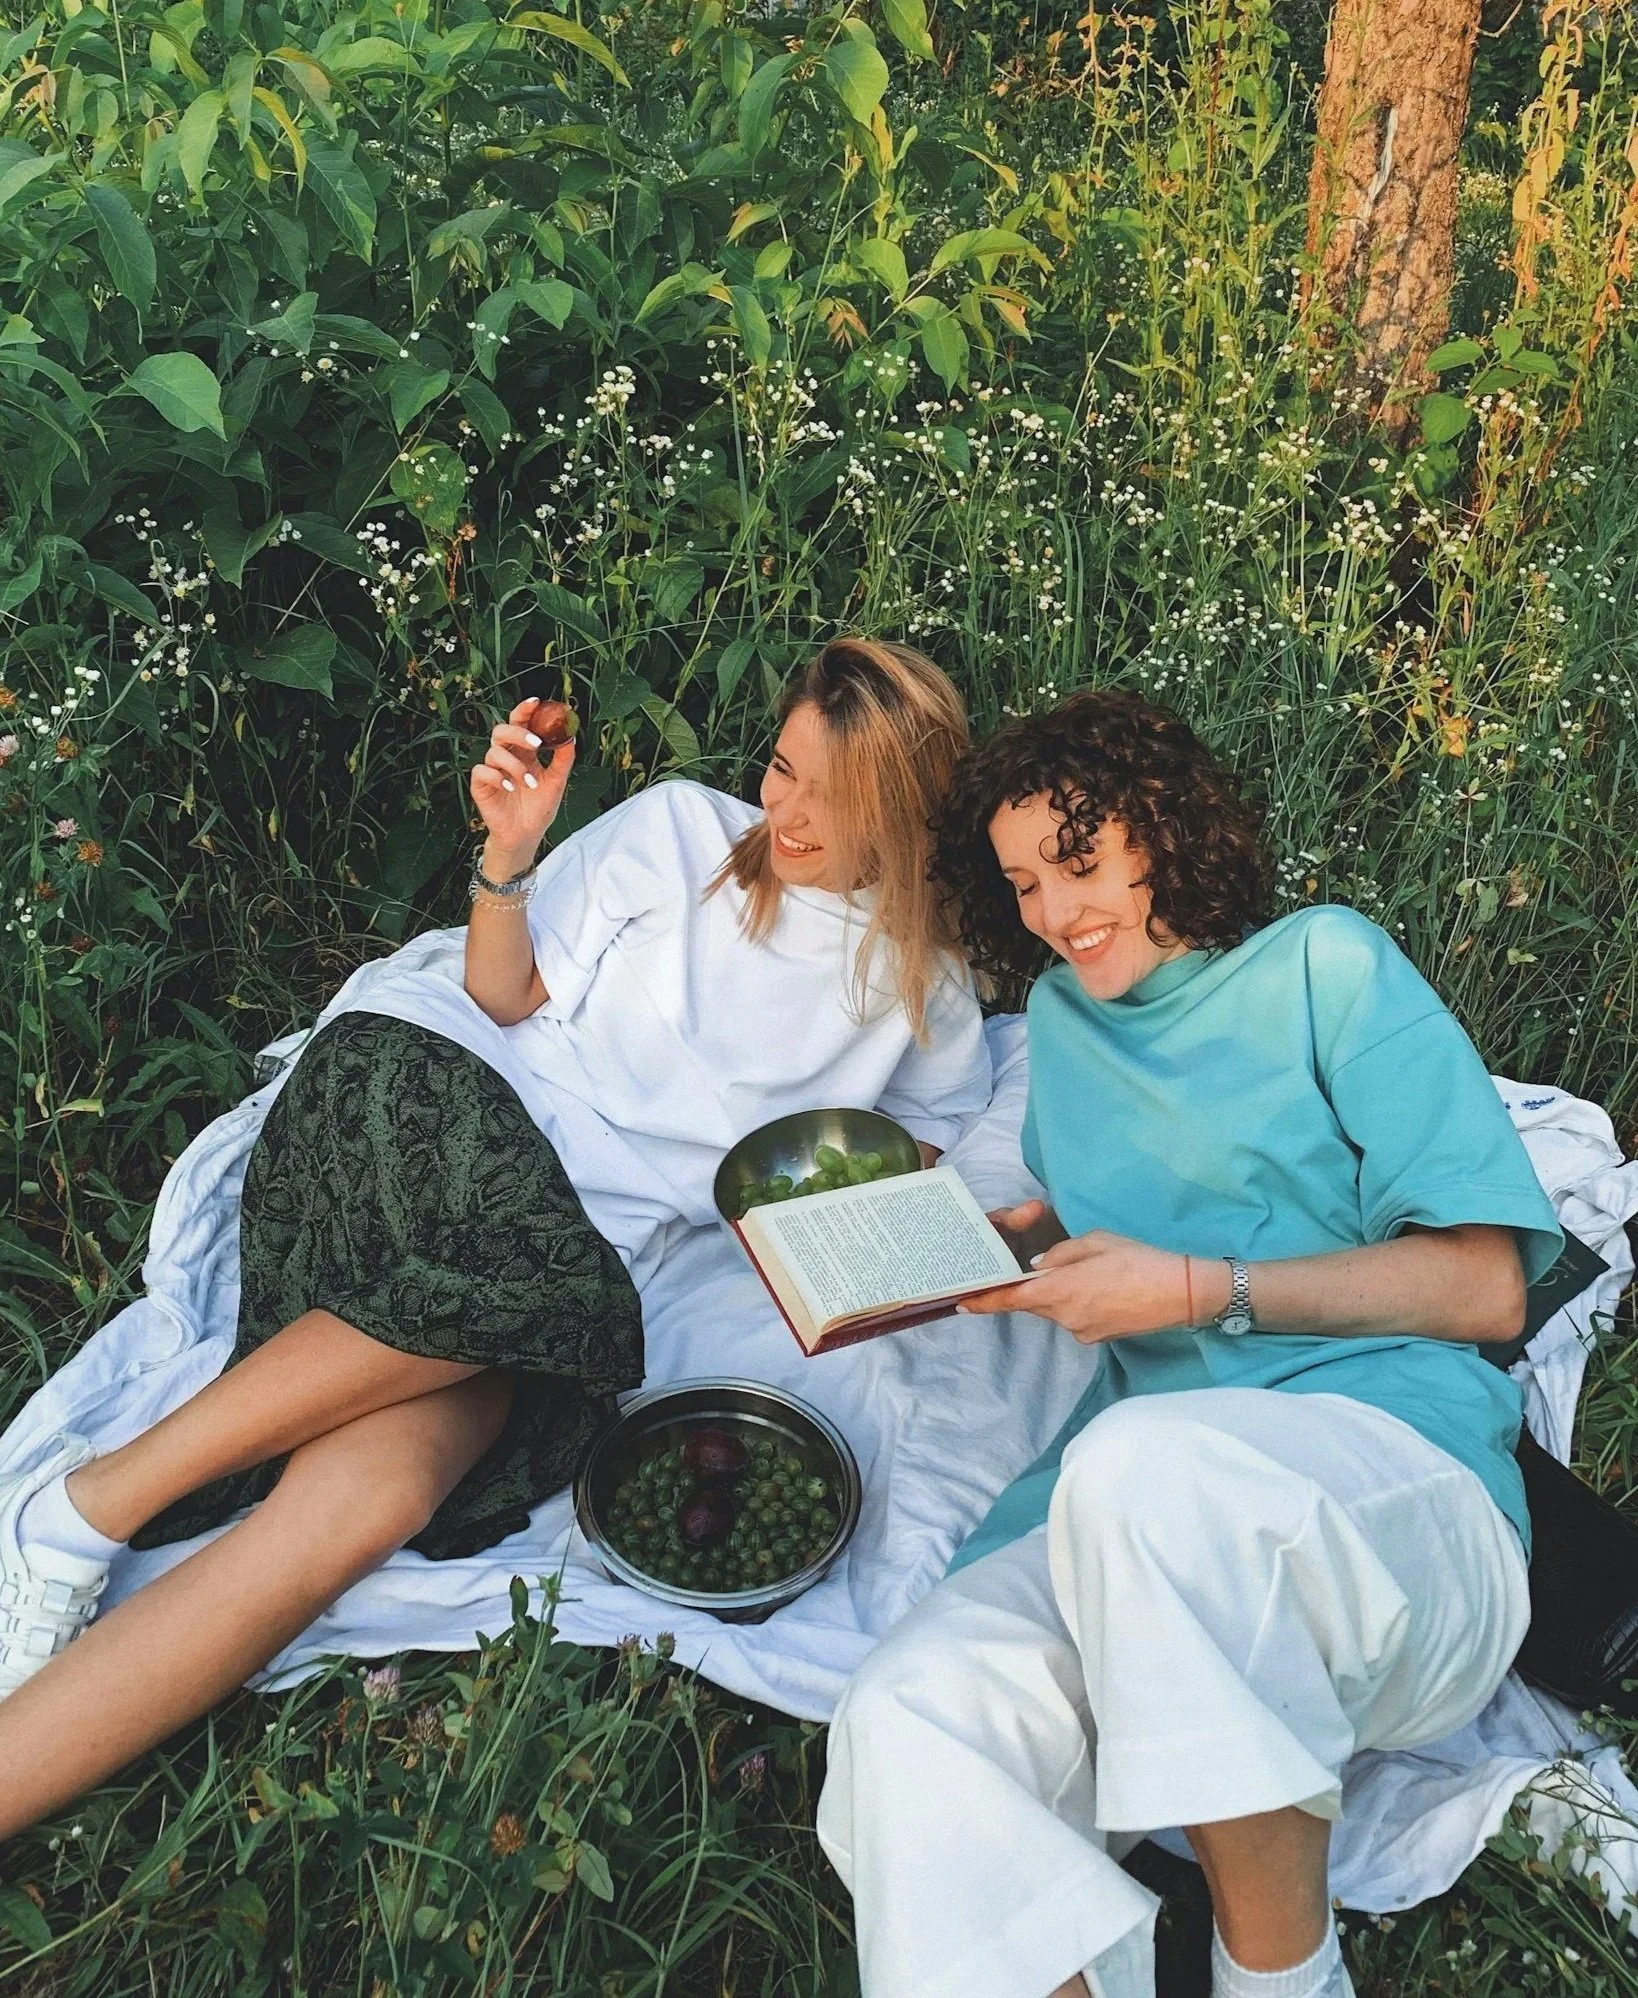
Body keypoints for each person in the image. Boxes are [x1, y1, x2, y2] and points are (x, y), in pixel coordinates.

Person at [0, 636, 992, 1840]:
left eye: (835, 798)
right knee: (535, 1295)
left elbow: (930, 1147)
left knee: (373, 1503)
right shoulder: (682, 833)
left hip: (554, 1266)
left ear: (907, 812)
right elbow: (500, 993)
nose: (788, 812)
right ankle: (83, 1511)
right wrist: (510, 856)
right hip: (443, 1090)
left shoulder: (923, 989)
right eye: (783, 770)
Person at [816, 689, 1562, 1998]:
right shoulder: (1063, 1024)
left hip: (1389, 1493)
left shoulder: (1323, 966)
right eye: (1022, 884)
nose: (1053, 912)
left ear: (1162, 827)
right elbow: (1117, 1206)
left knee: (1143, 1468)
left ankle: (1282, 1977)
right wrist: (1002, 1245)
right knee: (902, 1717)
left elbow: (1487, 1285)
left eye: (1078, 861)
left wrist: (1199, 1291)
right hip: (1133, 1533)